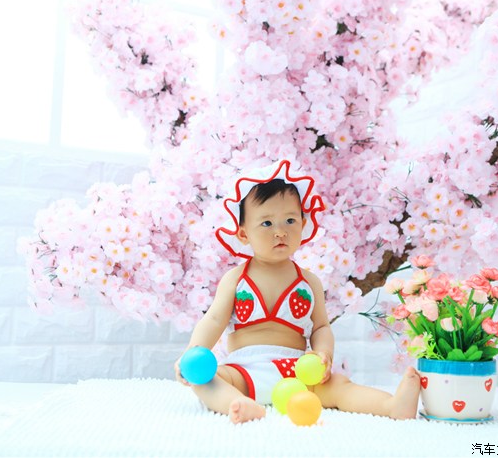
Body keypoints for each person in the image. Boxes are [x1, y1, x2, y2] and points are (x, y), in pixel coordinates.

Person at [174, 160, 421, 424]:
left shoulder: (308, 282)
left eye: (290, 220)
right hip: (244, 371)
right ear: (244, 234)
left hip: (296, 371)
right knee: (206, 379)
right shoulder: (236, 279)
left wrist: (323, 354)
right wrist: (193, 352)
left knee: (339, 385)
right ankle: (239, 403)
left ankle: (391, 405)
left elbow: (321, 327)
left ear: (303, 225)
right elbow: (213, 320)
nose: (280, 231)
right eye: (267, 223)